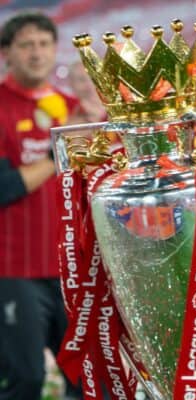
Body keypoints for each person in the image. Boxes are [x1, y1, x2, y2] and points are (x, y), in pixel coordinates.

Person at [0, 11, 81, 400]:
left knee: (85, 380)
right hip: (14, 269)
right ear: (6, 53)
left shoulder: (73, 110)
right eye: (26, 44)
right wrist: (59, 153)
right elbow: (4, 187)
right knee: (27, 379)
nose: (37, 53)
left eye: (44, 44)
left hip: (72, 272)